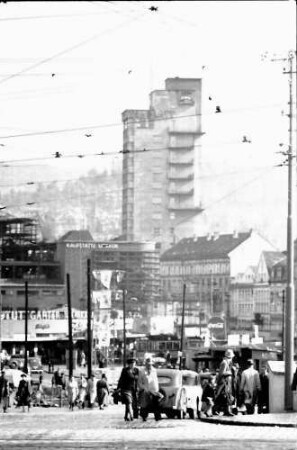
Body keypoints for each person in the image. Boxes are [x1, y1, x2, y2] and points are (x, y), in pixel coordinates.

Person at [138, 357, 162, 421]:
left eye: (150, 364)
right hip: (145, 390)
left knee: (156, 402)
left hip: (154, 390)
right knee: (145, 403)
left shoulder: (154, 370)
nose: (149, 365)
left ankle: (157, 417)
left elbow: (155, 381)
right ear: (145, 364)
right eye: (148, 364)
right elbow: (139, 382)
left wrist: (156, 390)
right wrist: (143, 388)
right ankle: (144, 416)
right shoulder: (142, 371)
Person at [117, 357, 139, 421]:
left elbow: (138, 378)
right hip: (126, 388)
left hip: (133, 389)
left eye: (134, 363)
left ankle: (126, 416)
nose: (133, 365)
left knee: (128, 403)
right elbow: (121, 379)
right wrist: (118, 388)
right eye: (131, 364)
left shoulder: (136, 370)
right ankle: (131, 416)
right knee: (128, 401)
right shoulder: (125, 370)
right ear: (128, 364)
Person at [215, 349, 235, 416]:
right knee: (224, 397)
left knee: (227, 397)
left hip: (227, 383)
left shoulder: (227, 363)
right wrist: (229, 373)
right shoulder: (224, 362)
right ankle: (218, 409)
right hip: (223, 383)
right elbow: (221, 373)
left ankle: (226, 410)